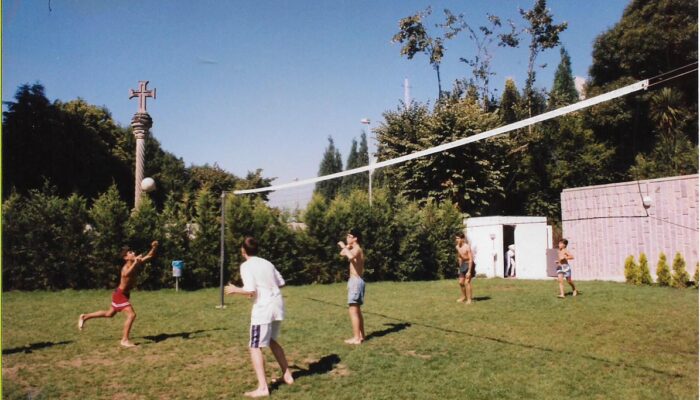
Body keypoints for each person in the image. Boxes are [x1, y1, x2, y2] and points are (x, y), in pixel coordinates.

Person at [225, 237, 293, 398]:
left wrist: (234, 289)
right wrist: (261, 288)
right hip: (277, 305)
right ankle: (287, 375)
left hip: (264, 308)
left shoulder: (246, 266)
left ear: (243, 250)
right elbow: (281, 282)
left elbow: (250, 290)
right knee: (271, 341)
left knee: (254, 346)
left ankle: (263, 388)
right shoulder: (267, 263)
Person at [78, 240, 158, 348]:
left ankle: (85, 316)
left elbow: (150, 256)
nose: (133, 253)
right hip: (120, 295)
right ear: (126, 258)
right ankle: (124, 340)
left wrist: (154, 247)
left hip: (123, 294)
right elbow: (126, 274)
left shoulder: (136, 262)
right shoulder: (125, 268)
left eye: (133, 252)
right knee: (131, 315)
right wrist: (135, 262)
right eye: (130, 253)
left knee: (109, 314)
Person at [337, 228, 365, 345]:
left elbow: (350, 257)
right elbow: (342, 253)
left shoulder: (357, 249)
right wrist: (347, 246)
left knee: (353, 310)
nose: (347, 237)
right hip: (355, 281)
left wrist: (344, 245)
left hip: (356, 282)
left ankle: (356, 338)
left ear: (355, 238)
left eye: (349, 236)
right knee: (356, 310)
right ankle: (361, 336)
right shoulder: (353, 248)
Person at [455, 233, 474, 304]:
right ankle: (464, 297)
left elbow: (471, 259)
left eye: (458, 238)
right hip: (463, 264)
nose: (456, 240)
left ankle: (469, 299)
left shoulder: (467, 247)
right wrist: (460, 267)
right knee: (460, 282)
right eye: (456, 238)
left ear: (462, 239)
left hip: (469, 264)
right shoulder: (457, 247)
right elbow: (459, 257)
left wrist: (469, 271)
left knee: (467, 282)